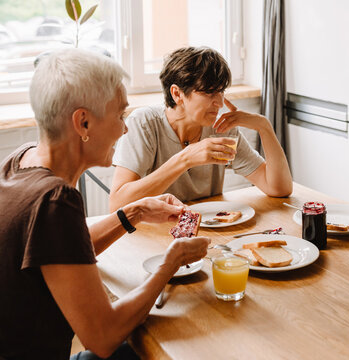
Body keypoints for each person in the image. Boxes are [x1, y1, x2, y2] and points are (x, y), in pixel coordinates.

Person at [0, 49, 210, 360]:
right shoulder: (55, 200)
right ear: (83, 123)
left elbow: (61, 252)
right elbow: (103, 337)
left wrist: (135, 212)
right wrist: (170, 263)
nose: (125, 129)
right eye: (121, 115)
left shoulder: (19, 160)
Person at [109, 46, 292, 210]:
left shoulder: (221, 129)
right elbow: (117, 205)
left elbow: (279, 188)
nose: (219, 103)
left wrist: (264, 126)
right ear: (177, 94)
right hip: (153, 235)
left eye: (221, 91)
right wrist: (185, 159)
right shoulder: (144, 123)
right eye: (209, 92)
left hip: (207, 234)